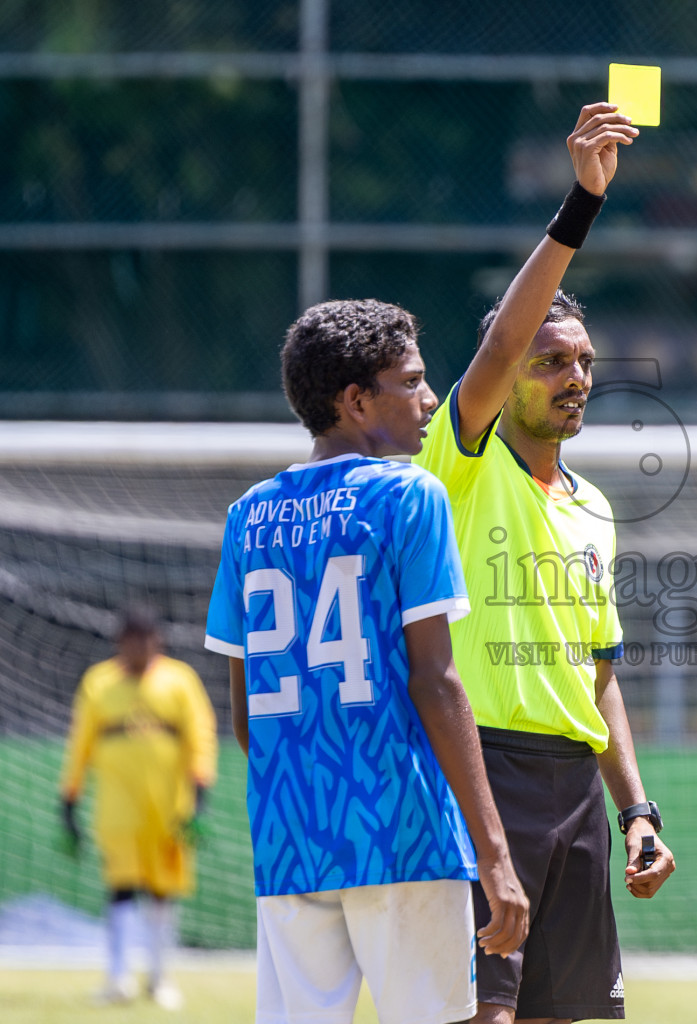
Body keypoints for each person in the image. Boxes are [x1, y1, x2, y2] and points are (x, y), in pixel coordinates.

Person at [412, 102, 676, 1024]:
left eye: (585, 363)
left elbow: (598, 678)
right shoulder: (465, 462)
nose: (574, 378)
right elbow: (493, 347)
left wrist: (638, 810)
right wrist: (581, 205)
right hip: (485, 770)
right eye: (550, 360)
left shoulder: (595, 507)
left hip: (575, 789)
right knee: (490, 1010)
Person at [204, 298, 529, 1024]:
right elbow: (437, 683)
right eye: (410, 382)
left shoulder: (247, 515)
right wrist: (495, 856)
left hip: (291, 837)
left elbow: (247, 717)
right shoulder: (410, 494)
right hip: (402, 830)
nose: (430, 399)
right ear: (355, 401)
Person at [60, 608, 217, 1009]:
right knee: (120, 889)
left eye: (147, 641)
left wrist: (201, 797)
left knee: (163, 891)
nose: (140, 649)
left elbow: (201, 736)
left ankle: (160, 978)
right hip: (118, 810)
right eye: (132, 641)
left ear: (158, 643)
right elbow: (80, 742)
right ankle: (118, 977)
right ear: (119, 644)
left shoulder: (180, 681)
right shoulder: (98, 684)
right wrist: (69, 798)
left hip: (169, 809)